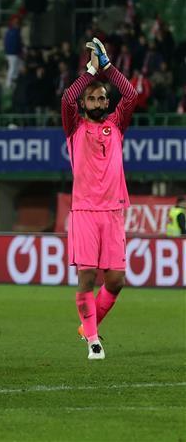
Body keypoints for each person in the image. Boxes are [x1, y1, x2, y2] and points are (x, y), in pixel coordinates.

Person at [61, 38, 138, 360]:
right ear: (84, 104)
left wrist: (107, 67)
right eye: (91, 98)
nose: (96, 101)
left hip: (113, 210)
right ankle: (93, 340)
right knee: (87, 274)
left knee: (117, 280)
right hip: (84, 210)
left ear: (107, 103)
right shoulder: (74, 126)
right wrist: (90, 72)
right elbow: (67, 98)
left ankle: (88, 326)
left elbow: (131, 95)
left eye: (101, 97)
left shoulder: (116, 125)